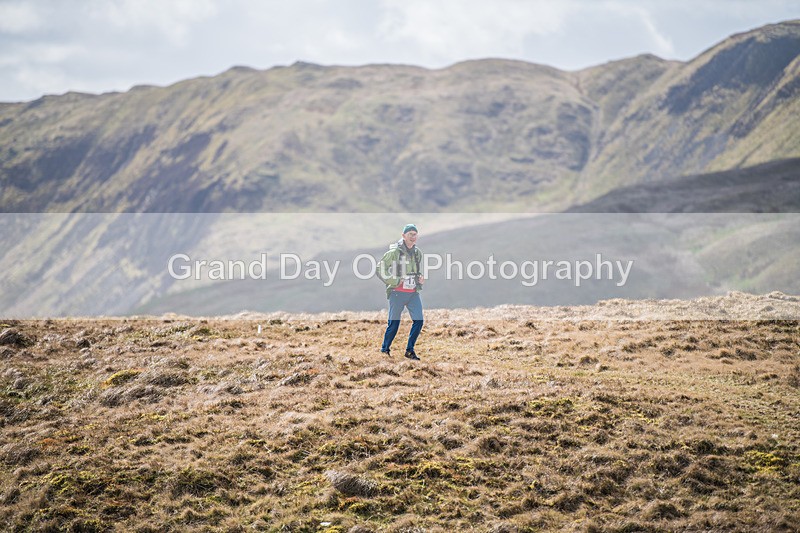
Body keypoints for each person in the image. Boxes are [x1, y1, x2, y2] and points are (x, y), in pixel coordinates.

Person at [378, 223, 425, 360]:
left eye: (415, 234)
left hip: (413, 293)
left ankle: (410, 351)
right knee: (394, 324)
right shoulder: (394, 252)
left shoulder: (417, 253)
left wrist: (419, 278)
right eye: (410, 234)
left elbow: (416, 270)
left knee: (419, 321)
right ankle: (385, 350)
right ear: (403, 236)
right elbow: (380, 268)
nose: (413, 236)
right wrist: (394, 281)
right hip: (397, 293)